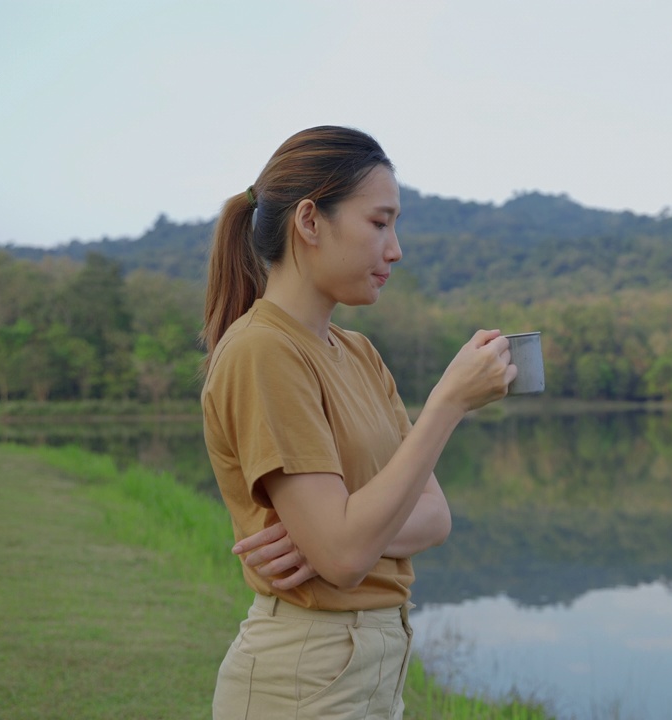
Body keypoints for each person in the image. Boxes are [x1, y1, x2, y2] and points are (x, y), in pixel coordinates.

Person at [199, 125, 516, 719]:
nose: (395, 249)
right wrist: (447, 403)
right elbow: (344, 560)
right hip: (304, 680)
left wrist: (330, 538)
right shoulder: (263, 351)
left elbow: (433, 516)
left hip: (374, 672)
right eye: (379, 223)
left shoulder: (360, 354)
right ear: (311, 221)